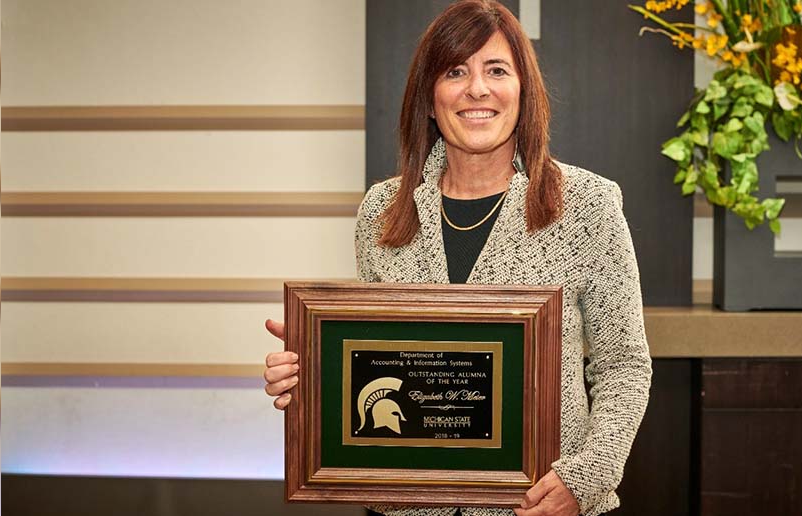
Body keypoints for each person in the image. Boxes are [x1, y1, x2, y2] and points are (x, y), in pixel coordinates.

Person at [263, 1, 652, 515]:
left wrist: (586, 479)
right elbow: (385, 364)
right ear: (429, 97)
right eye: (455, 71)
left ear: (522, 91)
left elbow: (623, 364)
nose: (477, 89)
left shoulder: (587, 204)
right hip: (407, 506)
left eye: (496, 70)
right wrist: (311, 381)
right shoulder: (382, 210)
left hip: (536, 508)